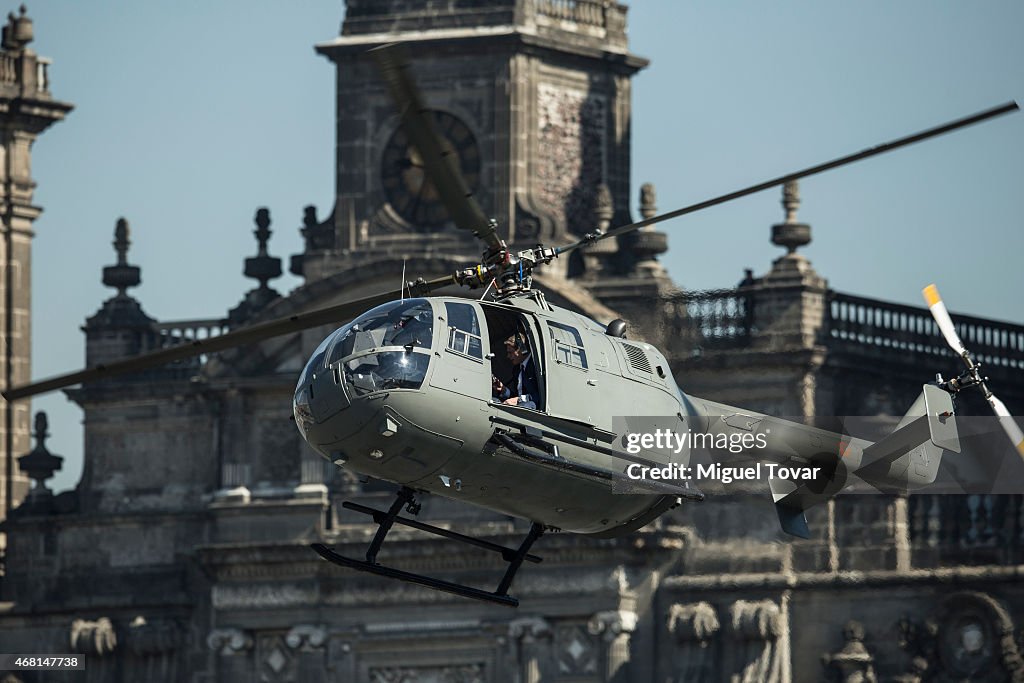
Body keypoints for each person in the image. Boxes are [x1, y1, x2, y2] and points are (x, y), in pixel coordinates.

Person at [492, 332, 539, 409]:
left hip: (533, 405)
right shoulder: (517, 369)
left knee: (524, 406)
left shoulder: (536, 366)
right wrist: (504, 390)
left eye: (510, 352)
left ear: (521, 349)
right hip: (521, 404)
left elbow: (540, 396)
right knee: (494, 401)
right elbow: (516, 396)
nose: (508, 356)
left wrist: (519, 400)